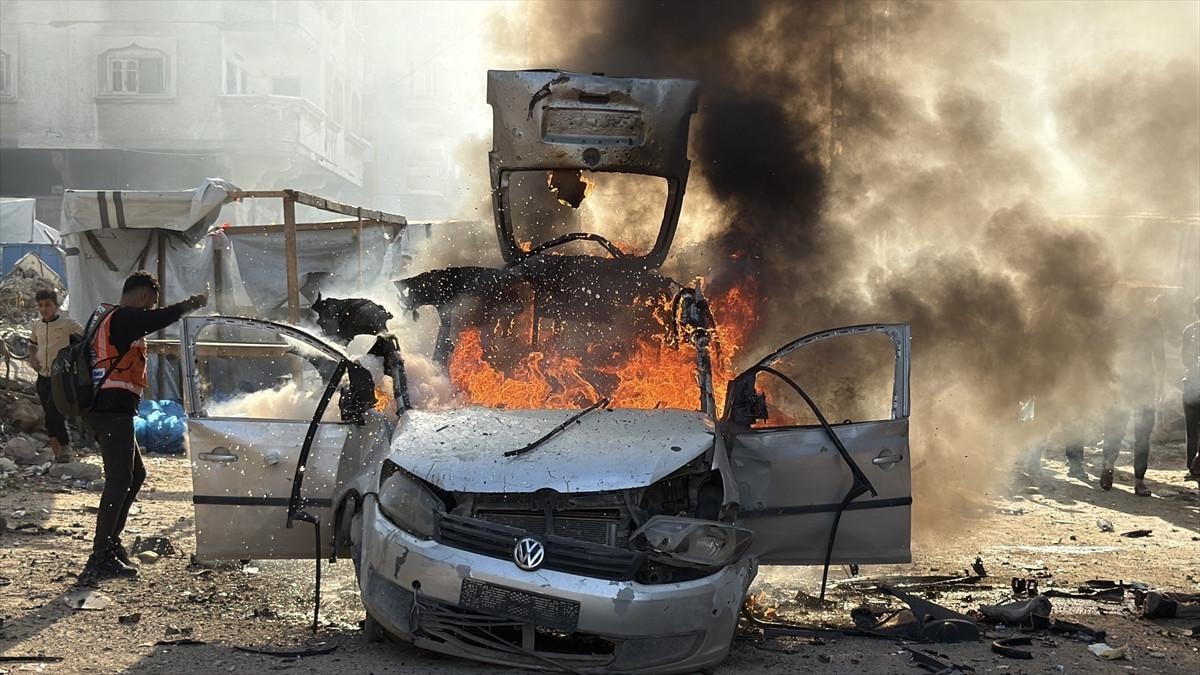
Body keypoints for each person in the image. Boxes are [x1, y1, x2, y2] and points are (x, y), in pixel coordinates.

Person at [82, 271, 206, 578]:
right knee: (119, 478)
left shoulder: (106, 317)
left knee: (135, 475)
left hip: (107, 410)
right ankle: (100, 554)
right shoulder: (124, 318)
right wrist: (191, 304)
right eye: (150, 303)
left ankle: (110, 544)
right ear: (142, 295)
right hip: (111, 411)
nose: (150, 309)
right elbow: (158, 319)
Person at [1099, 295, 1165, 496]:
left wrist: (1160, 386)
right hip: (1122, 384)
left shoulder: (1152, 324)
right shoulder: (1119, 322)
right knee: (1116, 431)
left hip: (1143, 385)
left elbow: (1159, 356)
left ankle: (1137, 479)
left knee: (1141, 435)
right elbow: (1107, 354)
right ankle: (1109, 469)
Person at [26, 289, 82, 463]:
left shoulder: (68, 324)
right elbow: (32, 345)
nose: (44, 309)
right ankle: (58, 455)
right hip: (43, 376)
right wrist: (32, 359)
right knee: (49, 415)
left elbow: (85, 341)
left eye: (48, 305)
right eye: (41, 305)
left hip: (61, 378)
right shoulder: (37, 326)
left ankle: (66, 447)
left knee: (55, 412)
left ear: (56, 306)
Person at [1183, 296, 1200, 480]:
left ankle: (1193, 466)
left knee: (1192, 430)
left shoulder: (1190, 331)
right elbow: (1186, 359)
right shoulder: (1190, 332)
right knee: (1192, 429)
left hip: (1191, 383)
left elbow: (1185, 359)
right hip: (1192, 384)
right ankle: (1194, 466)